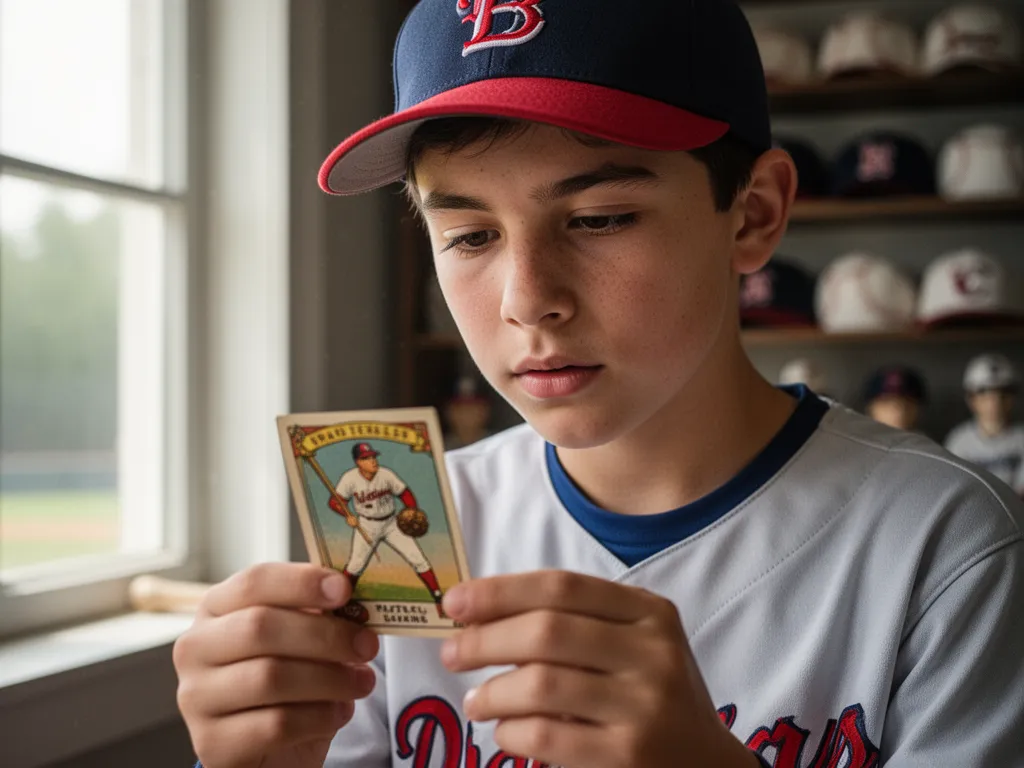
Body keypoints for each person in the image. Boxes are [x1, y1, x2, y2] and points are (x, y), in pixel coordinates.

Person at [172, 2, 1024, 767]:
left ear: (755, 212)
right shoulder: (417, 529)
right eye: (469, 235)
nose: (527, 299)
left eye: (598, 218)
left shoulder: (950, 545)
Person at [330, 442, 446, 620]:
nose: (373, 461)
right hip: (367, 525)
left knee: (418, 559)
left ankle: (438, 599)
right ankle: (340, 603)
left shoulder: (385, 474)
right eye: (366, 458)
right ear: (358, 462)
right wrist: (347, 515)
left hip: (392, 523)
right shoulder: (350, 478)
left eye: (373, 456)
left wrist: (411, 510)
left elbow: (405, 493)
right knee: (355, 565)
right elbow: (335, 502)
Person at [945, 353, 1024, 496]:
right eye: (985, 394)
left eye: (1003, 394)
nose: (995, 402)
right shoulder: (959, 441)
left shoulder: (1021, 437)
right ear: (971, 398)